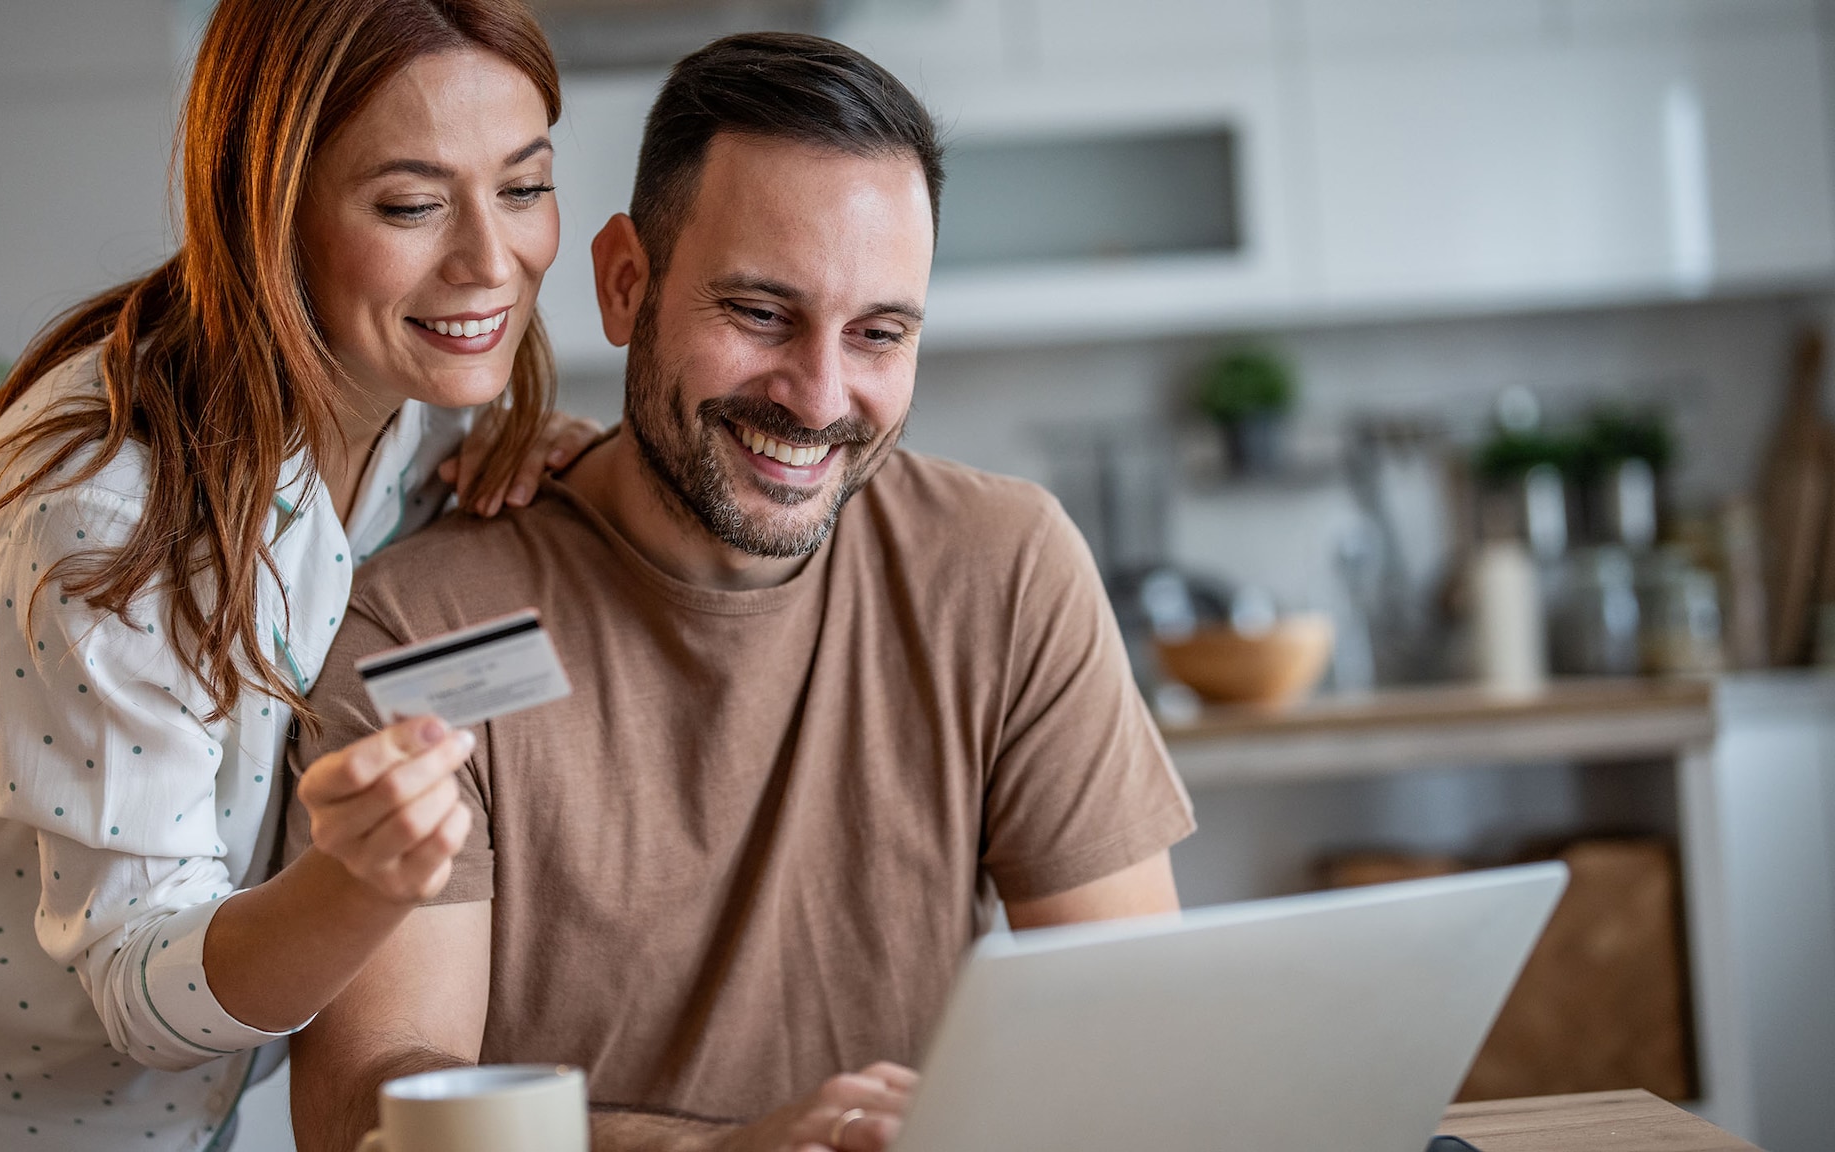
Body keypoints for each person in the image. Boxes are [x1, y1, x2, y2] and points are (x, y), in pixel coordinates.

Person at [285, 31, 1197, 1152]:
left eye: (877, 334)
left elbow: (1132, 1033)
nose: (817, 398)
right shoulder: (425, 627)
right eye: (759, 315)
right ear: (627, 283)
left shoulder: (1000, 569)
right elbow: (365, 1103)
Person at [0, 1, 596, 1148]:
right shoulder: (113, 512)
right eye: (412, 205)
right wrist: (356, 885)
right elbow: (136, 984)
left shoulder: (386, 391)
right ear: (272, 212)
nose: (489, 259)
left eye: (523, 187)